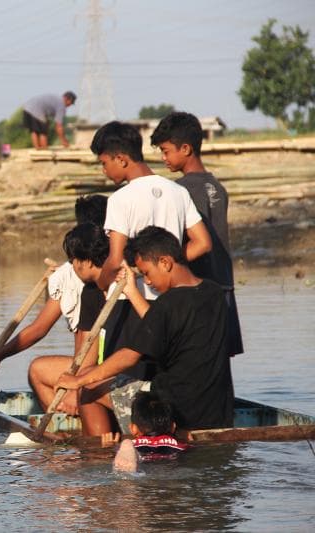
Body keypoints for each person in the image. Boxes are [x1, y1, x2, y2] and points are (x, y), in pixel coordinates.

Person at [80, 121, 213, 436]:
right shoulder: (177, 190)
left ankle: (120, 449)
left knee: (120, 388)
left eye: (104, 163)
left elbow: (114, 259)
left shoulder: (121, 199)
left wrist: (104, 284)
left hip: (131, 304)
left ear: (121, 159)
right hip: (170, 303)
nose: (104, 171)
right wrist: (167, 265)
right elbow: (202, 243)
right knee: (160, 386)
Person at [58, 226, 235, 436]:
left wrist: (78, 381)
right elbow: (159, 322)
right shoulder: (214, 293)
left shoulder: (167, 304)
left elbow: (129, 356)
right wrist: (132, 291)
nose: (148, 281)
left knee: (89, 384)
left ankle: (98, 453)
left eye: (147, 273)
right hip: (218, 411)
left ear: (165, 263)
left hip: (173, 410)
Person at [0, 195, 108, 412]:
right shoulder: (125, 271)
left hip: (91, 369)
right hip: (96, 366)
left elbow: (39, 329)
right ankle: (68, 414)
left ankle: (62, 422)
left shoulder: (72, 277)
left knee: (37, 370)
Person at [150, 111, 243, 357]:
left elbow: (198, 243)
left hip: (199, 290)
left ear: (186, 149)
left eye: (166, 150)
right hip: (224, 287)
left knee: (192, 361)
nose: (163, 158)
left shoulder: (180, 191)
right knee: (219, 363)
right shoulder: (216, 187)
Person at [108, 391, 190, 473]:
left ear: (134, 429)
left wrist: (109, 446)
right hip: (171, 460)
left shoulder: (135, 444)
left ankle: (126, 444)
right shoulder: (181, 445)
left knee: (127, 445)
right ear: (173, 427)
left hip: (140, 455)